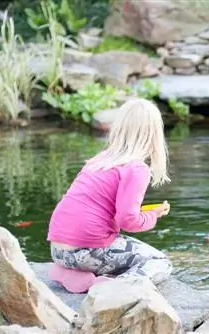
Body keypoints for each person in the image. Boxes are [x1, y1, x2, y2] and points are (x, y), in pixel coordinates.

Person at [47, 98, 173, 286]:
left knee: (119, 250)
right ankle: (111, 288)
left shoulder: (101, 159)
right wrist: (152, 216)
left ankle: (71, 274)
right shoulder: (136, 168)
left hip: (58, 250)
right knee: (160, 262)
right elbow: (128, 221)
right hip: (85, 252)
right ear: (154, 134)